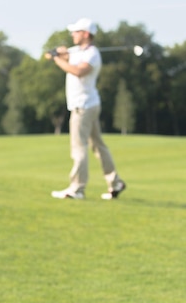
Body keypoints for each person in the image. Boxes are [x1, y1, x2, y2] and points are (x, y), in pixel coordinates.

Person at [46, 18, 126, 200]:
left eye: (76, 31)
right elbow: (68, 59)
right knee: (98, 146)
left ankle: (77, 188)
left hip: (83, 106)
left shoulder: (92, 54)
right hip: (87, 105)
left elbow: (78, 71)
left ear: (86, 34)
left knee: (79, 147)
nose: (73, 34)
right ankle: (115, 183)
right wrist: (59, 53)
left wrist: (58, 59)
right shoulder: (78, 52)